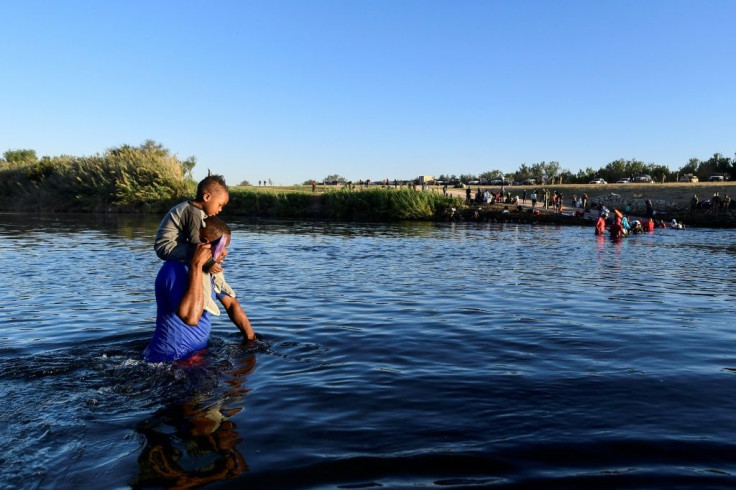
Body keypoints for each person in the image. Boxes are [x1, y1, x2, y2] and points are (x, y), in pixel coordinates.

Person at [144, 216, 256, 362]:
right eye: (222, 247)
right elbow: (191, 318)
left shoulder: (208, 272)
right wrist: (196, 265)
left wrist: (251, 339)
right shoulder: (174, 270)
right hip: (169, 360)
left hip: (195, 354)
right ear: (203, 243)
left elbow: (231, 304)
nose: (225, 253)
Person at [154, 175, 235, 316]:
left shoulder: (193, 209)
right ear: (207, 197)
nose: (220, 209)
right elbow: (195, 242)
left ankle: (219, 284)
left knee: (211, 255)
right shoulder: (194, 213)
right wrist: (209, 263)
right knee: (203, 257)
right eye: (220, 205)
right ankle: (205, 300)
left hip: (177, 245)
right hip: (167, 247)